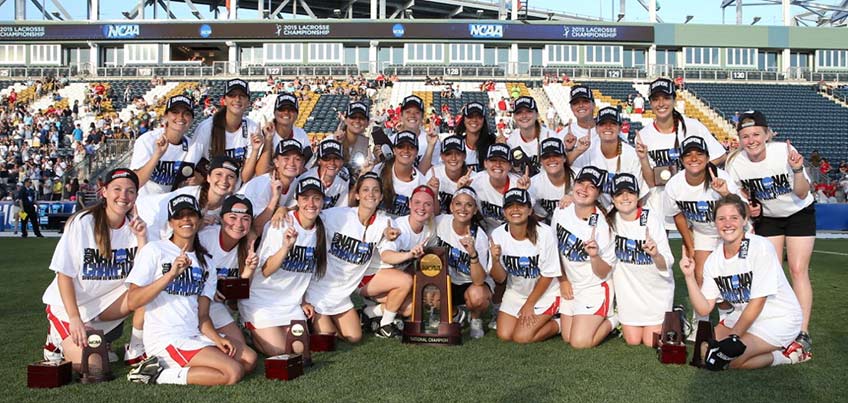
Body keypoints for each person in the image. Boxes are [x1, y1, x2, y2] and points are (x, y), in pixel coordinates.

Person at [126, 194, 255, 385]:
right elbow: (132, 301)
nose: (185, 219)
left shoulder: (206, 262)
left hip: (194, 334)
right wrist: (170, 275)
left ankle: (177, 365)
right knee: (233, 372)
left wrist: (217, 340)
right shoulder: (155, 250)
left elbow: (203, 316)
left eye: (191, 214)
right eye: (179, 215)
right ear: (171, 222)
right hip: (166, 338)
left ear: (199, 220)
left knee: (249, 359)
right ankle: (155, 374)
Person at [680, 194, 810, 370]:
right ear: (715, 223)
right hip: (743, 316)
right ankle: (757, 346)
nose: (727, 224)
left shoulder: (760, 247)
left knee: (730, 361)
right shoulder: (714, 259)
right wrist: (689, 277)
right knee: (705, 351)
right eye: (721, 219)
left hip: (778, 317)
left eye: (734, 218)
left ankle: (787, 355)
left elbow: (758, 301)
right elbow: (704, 308)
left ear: (744, 220)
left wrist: (733, 338)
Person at [725, 110, 815, 351]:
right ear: (739, 139)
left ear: (767, 134)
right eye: (745, 136)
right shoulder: (736, 162)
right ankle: (773, 326)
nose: (751, 140)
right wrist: (749, 209)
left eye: (756, 134)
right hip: (769, 217)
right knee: (770, 274)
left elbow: (802, 192)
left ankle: (803, 332)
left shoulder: (782, 152)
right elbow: (740, 200)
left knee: (797, 270)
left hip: (798, 212)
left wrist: (797, 169)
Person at [40, 169, 148, 371]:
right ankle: (55, 341)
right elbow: (64, 274)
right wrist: (75, 319)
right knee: (94, 368)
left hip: (107, 306)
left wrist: (142, 239)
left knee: (148, 292)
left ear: (136, 196)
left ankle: (135, 348)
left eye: (130, 191)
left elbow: (142, 276)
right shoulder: (83, 222)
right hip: (71, 308)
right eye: (117, 189)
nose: (123, 196)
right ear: (104, 191)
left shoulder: (136, 228)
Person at [306, 172, 398, 343]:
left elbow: (389, 251)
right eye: (365, 190)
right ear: (357, 195)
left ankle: (326, 321)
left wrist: (408, 250)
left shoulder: (383, 223)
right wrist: (282, 209)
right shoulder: (337, 215)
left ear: (381, 197)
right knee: (327, 338)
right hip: (319, 289)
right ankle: (311, 319)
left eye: (375, 190)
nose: (370, 194)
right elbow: (309, 215)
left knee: (355, 337)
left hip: (342, 293)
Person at [663, 136, 741, 337]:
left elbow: (740, 210)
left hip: (732, 232)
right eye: (688, 154)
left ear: (707, 157)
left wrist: (724, 193)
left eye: (699, 154)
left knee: (731, 277)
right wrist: (689, 246)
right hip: (703, 232)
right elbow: (678, 215)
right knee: (701, 276)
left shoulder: (721, 177)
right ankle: (701, 323)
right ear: (681, 160)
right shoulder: (675, 184)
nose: (694, 158)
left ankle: (728, 315)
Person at [245, 177, 326, 355]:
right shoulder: (281, 223)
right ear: (297, 200)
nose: (311, 204)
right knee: (281, 351)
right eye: (305, 198)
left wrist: (303, 300)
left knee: (301, 351)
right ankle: (250, 331)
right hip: (263, 300)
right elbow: (265, 271)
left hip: (290, 303)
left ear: (323, 202)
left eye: (317, 198)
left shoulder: (322, 226)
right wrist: (285, 248)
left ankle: (264, 334)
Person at [636, 77, 726, 229]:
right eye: (656, 99)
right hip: (661, 205)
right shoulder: (644, 135)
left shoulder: (692, 126)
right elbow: (651, 182)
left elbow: (720, 156)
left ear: (674, 100)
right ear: (650, 103)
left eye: (666, 98)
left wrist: (693, 172)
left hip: (693, 202)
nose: (661, 103)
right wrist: (643, 159)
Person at [552, 166, 618, 349]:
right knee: (566, 337)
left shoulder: (603, 227)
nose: (584, 189)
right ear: (574, 184)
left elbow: (604, 272)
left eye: (591, 187)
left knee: (579, 342)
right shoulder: (561, 211)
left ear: (598, 193)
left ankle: (614, 318)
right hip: (571, 285)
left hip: (594, 287)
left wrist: (595, 256)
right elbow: (554, 250)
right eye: (581, 183)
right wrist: (563, 280)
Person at [362, 185, 438, 338]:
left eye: (427, 204)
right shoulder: (398, 227)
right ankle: (385, 325)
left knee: (412, 306)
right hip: (368, 278)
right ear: (409, 204)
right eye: (417, 202)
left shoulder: (429, 231)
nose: (421, 208)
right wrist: (409, 254)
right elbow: (387, 256)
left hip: (391, 281)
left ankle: (368, 313)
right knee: (405, 280)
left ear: (433, 208)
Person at [608, 173, 674, 347]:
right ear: (612, 199)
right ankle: (615, 315)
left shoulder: (651, 219)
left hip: (655, 290)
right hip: (629, 293)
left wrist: (655, 254)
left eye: (629, 192)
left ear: (637, 196)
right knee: (633, 340)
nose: (625, 197)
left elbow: (667, 262)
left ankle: (677, 316)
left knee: (650, 342)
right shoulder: (609, 221)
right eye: (619, 193)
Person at [196, 194, 259, 370]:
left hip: (214, 307)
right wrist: (209, 286)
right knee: (232, 361)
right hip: (190, 304)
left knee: (245, 359)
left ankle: (209, 340)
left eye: (245, 219)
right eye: (233, 217)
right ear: (221, 218)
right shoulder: (205, 238)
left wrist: (248, 271)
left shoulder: (247, 247)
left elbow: (239, 293)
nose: (239, 224)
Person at [490, 188, 561, 344]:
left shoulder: (545, 233)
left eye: (520, 205)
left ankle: (559, 323)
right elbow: (500, 278)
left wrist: (530, 304)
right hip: (516, 292)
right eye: (510, 206)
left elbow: (549, 274)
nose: (515, 210)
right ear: (504, 211)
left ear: (529, 210)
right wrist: (495, 260)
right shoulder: (497, 234)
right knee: (505, 334)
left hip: (546, 293)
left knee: (522, 337)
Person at [433, 186, 492, 339]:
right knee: (429, 289)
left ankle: (475, 318)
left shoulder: (479, 237)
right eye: (458, 204)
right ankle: (457, 314)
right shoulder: (440, 222)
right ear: (451, 206)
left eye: (469, 205)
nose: (463, 208)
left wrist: (472, 254)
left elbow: (479, 280)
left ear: (475, 210)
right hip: (447, 281)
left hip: (470, 283)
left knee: (477, 296)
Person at [137, 156, 240, 242]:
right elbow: (166, 232)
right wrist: (197, 224)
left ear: (236, 183)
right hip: (147, 221)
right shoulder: (187, 197)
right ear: (208, 178)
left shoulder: (231, 207)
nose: (224, 180)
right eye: (218, 174)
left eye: (231, 177)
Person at [572, 107, 648, 210]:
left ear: (620, 128)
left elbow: (638, 196)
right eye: (603, 124)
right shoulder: (588, 150)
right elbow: (565, 171)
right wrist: (577, 151)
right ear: (597, 128)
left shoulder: (631, 155)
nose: (608, 127)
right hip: (593, 210)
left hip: (624, 212)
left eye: (613, 123)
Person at [130, 95, 205, 196]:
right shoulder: (147, 141)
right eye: (175, 112)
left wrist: (199, 181)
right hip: (145, 204)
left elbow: (200, 178)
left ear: (192, 119)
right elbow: (135, 182)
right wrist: (157, 156)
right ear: (165, 116)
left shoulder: (194, 146)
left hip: (174, 206)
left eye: (186, 113)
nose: (180, 117)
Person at [194, 79, 263, 183]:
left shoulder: (252, 128)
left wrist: (255, 150)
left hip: (239, 191)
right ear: (224, 100)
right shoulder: (206, 128)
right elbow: (192, 163)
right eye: (232, 95)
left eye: (242, 96)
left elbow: (245, 177)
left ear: (249, 102)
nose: (237, 99)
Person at [239, 139, 305, 231]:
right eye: (286, 158)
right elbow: (256, 227)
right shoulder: (263, 185)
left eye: (297, 159)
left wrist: (284, 209)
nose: (292, 163)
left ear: (302, 164)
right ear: (276, 162)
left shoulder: (297, 183)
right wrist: (274, 199)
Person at [472, 143, 526, 234]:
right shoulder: (475, 182)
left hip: (518, 234)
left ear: (510, 165)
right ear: (485, 163)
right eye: (493, 160)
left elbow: (532, 218)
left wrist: (522, 191)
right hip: (489, 234)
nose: (498, 164)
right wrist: (462, 189)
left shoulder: (519, 183)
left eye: (503, 161)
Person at [373, 130, 428, 218]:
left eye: (411, 147)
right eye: (401, 146)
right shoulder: (378, 170)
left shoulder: (422, 183)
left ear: (417, 152)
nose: (406, 150)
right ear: (394, 150)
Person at [256, 92, 311, 176]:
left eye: (291, 110)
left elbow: (304, 168)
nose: (286, 113)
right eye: (282, 109)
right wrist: (268, 140)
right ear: (274, 113)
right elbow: (260, 173)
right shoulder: (263, 133)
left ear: (297, 114)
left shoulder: (301, 134)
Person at [506, 96, 560, 176]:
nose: (524, 116)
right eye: (519, 112)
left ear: (537, 114)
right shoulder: (512, 139)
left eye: (529, 111)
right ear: (514, 117)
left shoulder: (551, 137)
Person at [426, 135, 474, 214]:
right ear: (441, 156)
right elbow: (432, 215)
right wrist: (433, 195)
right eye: (448, 154)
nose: (453, 158)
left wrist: (462, 191)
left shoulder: (474, 179)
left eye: (458, 154)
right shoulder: (434, 174)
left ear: (464, 156)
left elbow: (471, 216)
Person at [528, 138, 571, 224]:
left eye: (556, 155)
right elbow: (527, 213)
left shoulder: (579, 177)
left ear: (564, 158)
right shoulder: (534, 183)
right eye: (546, 156)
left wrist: (575, 197)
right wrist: (522, 191)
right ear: (541, 161)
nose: (551, 159)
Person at [305, 139, 351, 209]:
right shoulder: (306, 179)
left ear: (342, 162)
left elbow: (341, 209)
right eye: (326, 158)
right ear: (319, 161)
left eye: (336, 158)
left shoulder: (344, 176)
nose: (332, 162)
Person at [455, 102, 496, 172]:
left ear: (484, 120)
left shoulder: (493, 144)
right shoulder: (455, 145)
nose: (474, 120)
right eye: (470, 116)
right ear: (464, 120)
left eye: (479, 117)